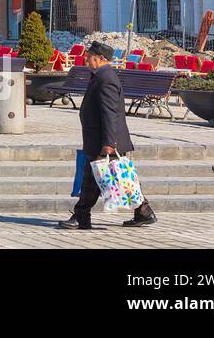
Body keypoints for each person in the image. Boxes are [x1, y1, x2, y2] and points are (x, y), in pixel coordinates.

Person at [59, 40, 157, 230]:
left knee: (93, 179)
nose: (86, 59)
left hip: (106, 141)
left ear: (101, 59)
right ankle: (143, 212)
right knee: (119, 179)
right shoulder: (99, 75)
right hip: (101, 139)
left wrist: (109, 142)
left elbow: (110, 112)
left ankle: (81, 216)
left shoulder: (107, 78)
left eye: (89, 57)